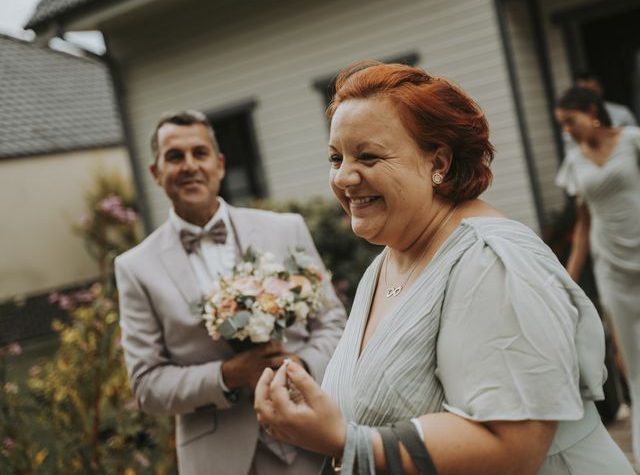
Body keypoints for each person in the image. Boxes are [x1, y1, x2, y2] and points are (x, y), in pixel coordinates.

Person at [254, 61, 635, 474]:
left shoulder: (492, 261)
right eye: (335, 157)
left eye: (368, 156)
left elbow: (513, 448)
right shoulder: (386, 262)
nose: (344, 177)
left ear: (438, 163)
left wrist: (346, 441)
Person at [114, 109, 346, 475]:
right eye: (175, 157)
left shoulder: (286, 229)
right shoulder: (135, 267)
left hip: (314, 431)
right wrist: (228, 374)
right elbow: (146, 385)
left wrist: (301, 366)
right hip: (221, 458)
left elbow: (334, 324)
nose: (190, 165)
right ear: (156, 174)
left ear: (219, 164)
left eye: (199, 153)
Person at [555, 86, 640, 467]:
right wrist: (567, 281)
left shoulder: (633, 141)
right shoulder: (574, 162)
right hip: (611, 263)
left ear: (592, 111)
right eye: (562, 126)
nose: (567, 132)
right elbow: (583, 228)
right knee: (630, 356)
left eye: (570, 122)